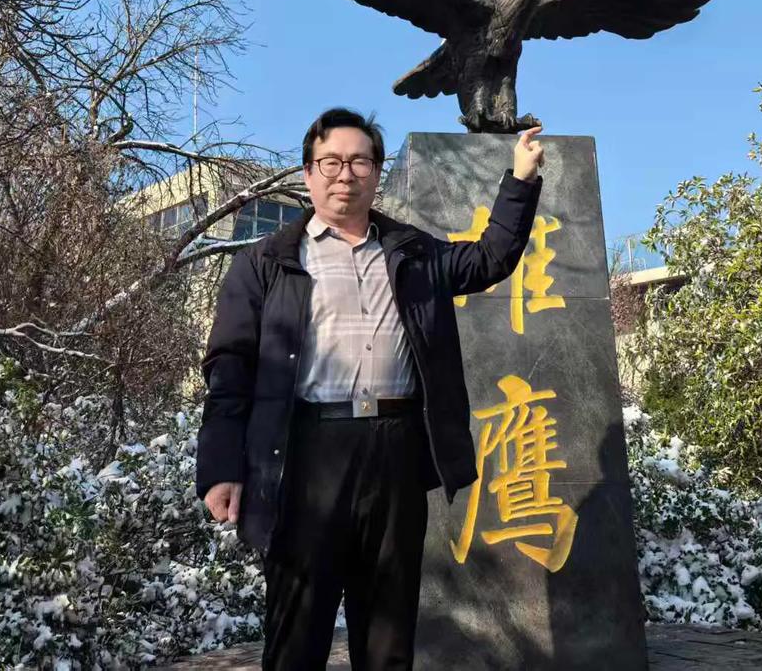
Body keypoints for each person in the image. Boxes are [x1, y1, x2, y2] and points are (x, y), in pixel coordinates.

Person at [196, 106, 546, 670]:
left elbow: (489, 257)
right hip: (307, 453)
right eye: (331, 162)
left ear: (377, 172)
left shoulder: (412, 252)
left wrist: (521, 179)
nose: (345, 174)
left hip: (395, 452)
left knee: (388, 634)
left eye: (360, 161)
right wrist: (220, 466)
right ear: (308, 173)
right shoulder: (265, 263)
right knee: (297, 635)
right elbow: (229, 370)